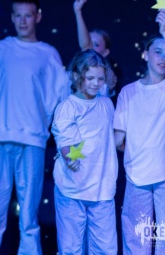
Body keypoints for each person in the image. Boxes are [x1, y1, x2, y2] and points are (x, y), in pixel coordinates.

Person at [0, 0, 69, 255]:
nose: (22, 21)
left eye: (28, 15)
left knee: (29, 219)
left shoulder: (47, 54)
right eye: (18, 15)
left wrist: (45, 123)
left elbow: (60, 97)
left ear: (38, 17)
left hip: (32, 140)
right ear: (12, 17)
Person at [114, 9, 165, 254]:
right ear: (145, 54)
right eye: (158, 52)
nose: (163, 58)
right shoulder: (128, 92)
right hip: (137, 174)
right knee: (137, 237)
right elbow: (118, 138)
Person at [51, 49, 118, 254]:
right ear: (76, 76)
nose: (96, 83)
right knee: (71, 248)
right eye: (90, 78)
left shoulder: (106, 104)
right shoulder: (67, 107)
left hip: (102, 189)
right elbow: (65, 140)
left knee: (105, 249)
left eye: (100, 78)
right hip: (72, 190)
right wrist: (69, 157)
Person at [73, 0, 123, 101]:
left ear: (106, 52)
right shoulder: (73, 73)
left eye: (96, 44)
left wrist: (78, 12)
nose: (91, 46)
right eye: (89, 40)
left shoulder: (108, 75)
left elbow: (87, 48)